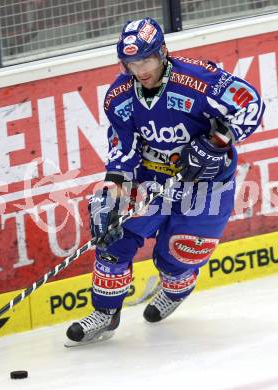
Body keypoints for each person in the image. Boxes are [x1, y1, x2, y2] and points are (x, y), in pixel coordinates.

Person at [65, 17, 265, 346]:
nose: (140, 69)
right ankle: (105, 313)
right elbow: (122, 152)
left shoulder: (199, 79)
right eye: (131, 63)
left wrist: (216, 142)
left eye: (146, 59)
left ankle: (177, 285)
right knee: (113, 236)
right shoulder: (119, 97)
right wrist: (111, 193)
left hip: (207, 182)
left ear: (163, 53)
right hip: (151, 179)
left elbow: (250, 104)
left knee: (178, 254)